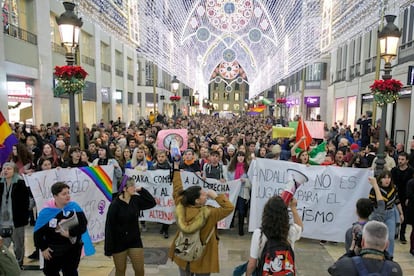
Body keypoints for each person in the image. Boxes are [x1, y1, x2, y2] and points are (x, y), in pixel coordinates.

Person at [169, 161, 234, 275]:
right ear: (197, 200)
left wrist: (176, 169)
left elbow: (177, 187)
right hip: (203, 256)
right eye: (203, 194)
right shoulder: (209, 213)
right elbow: (229, 207)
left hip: (183, 252)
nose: (206, 195)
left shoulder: (181, 204)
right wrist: (216, 196)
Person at [34, 182, 95, 275]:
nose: (67, 196)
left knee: (70, 272)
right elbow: (38, 232)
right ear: (55, 196)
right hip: (54, 250)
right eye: (64, 194)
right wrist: (43, 248)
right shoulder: (46, 212)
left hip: (72, 248)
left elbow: (83, 226)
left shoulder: (74, 207)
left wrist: (70, 233)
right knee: (49, 272)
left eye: (68, 193)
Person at [104, 177, 156, 276]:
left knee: (140, 269)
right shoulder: (115, 205)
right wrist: (108, 249)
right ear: (124, 189)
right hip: (119, 243)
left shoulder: (135, 199)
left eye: (134, 185)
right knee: (120, 270)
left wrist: (142, 190)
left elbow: (151, 203)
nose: (134, 187)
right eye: (131, 186)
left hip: (134, 240)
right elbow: (109, 227)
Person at [245, 196, 303, 276]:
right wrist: (293, 208)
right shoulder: (290, 231)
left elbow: (252, 264)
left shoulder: (259, 234)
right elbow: (300, 227)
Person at [328, 221, 402, 275]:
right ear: (387, 245)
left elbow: (332, 269)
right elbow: (390, 261)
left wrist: (352, 250)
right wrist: (385, 253)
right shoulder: (395, 269)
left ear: (362, 242)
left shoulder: (345, 265)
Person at [0, 162, 29, 268]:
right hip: (2, 220)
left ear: (14, 171)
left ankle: (19, 263)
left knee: (18, 246)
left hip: (17, 220)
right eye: (4, 168)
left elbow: (26, 201)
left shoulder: (20, 183)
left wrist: (24, 215)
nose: (6, 171)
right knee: (3, 245)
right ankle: (4, 264)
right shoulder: (0, 183)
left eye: (8, 169)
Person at [368, 170, 403, 258]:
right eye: (384, 178)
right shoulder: (374, 189)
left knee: (390, 237)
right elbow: (371, 203)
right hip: (378, 214)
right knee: (377, 238)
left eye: (389, 177)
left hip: (390, 214)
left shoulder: (394, 188)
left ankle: (389, 257)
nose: (387, 180)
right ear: (380, 179)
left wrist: (401, 213)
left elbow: (397, 201)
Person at [227, 151, 250, 236]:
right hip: (233, 192)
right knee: (232, 208)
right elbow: (228, 180)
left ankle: (241, 228)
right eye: (239, 156)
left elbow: (251, 181)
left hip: (242, 192)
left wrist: (245, 181)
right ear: (236, 157)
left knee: (241, 210)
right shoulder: (231, 168)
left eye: (242, 156)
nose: (241, 158)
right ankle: (230, 223)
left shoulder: (247, 168)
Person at [151, 149, 172, 238]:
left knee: (167, 210)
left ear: (166, 157)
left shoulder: (170, 167)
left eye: (162, 156)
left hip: (167, 192)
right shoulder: (153, 167)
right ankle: (163, 227)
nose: (161, 158)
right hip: (158, 192)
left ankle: (165, 229)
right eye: (159, 156)